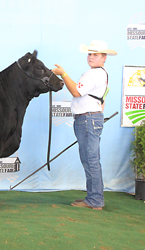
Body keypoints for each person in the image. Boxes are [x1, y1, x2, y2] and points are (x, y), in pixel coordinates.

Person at [52, 40, 117, 210]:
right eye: (90, 54)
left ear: (104, 58)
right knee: (90, 160)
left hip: (87, 119)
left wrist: (63, 74)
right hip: (89, 118)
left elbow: (76, 91)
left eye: (95, 54)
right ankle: (93, 197)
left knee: (91, 160)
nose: (91, 57)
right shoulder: (99, 73)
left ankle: (95, 200)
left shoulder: (94, 74)